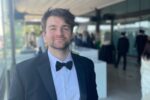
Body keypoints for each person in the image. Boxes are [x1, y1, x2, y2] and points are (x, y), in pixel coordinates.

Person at [9, 8, 98, 100]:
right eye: (53, 28)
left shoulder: (87, 65)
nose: (59, 33)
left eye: (65, 28)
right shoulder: (23, 71)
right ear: (44, 35)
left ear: (72, 34)